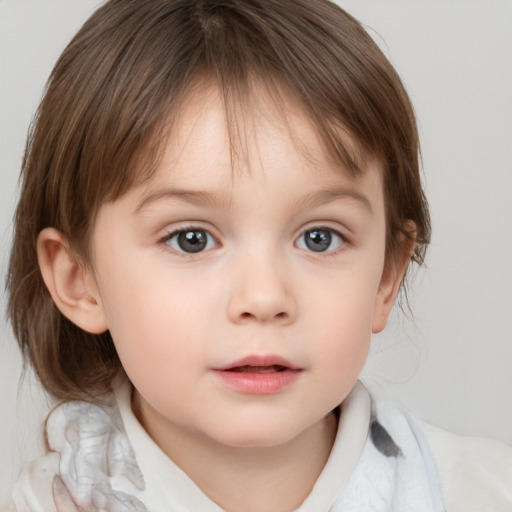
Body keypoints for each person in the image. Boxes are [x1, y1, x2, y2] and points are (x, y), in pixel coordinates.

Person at [5, 0, 512, 510]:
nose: (265, 297)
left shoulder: (484, 493)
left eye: (320, 237)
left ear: (386, 275)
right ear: (78, 280)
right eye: (191, 239)